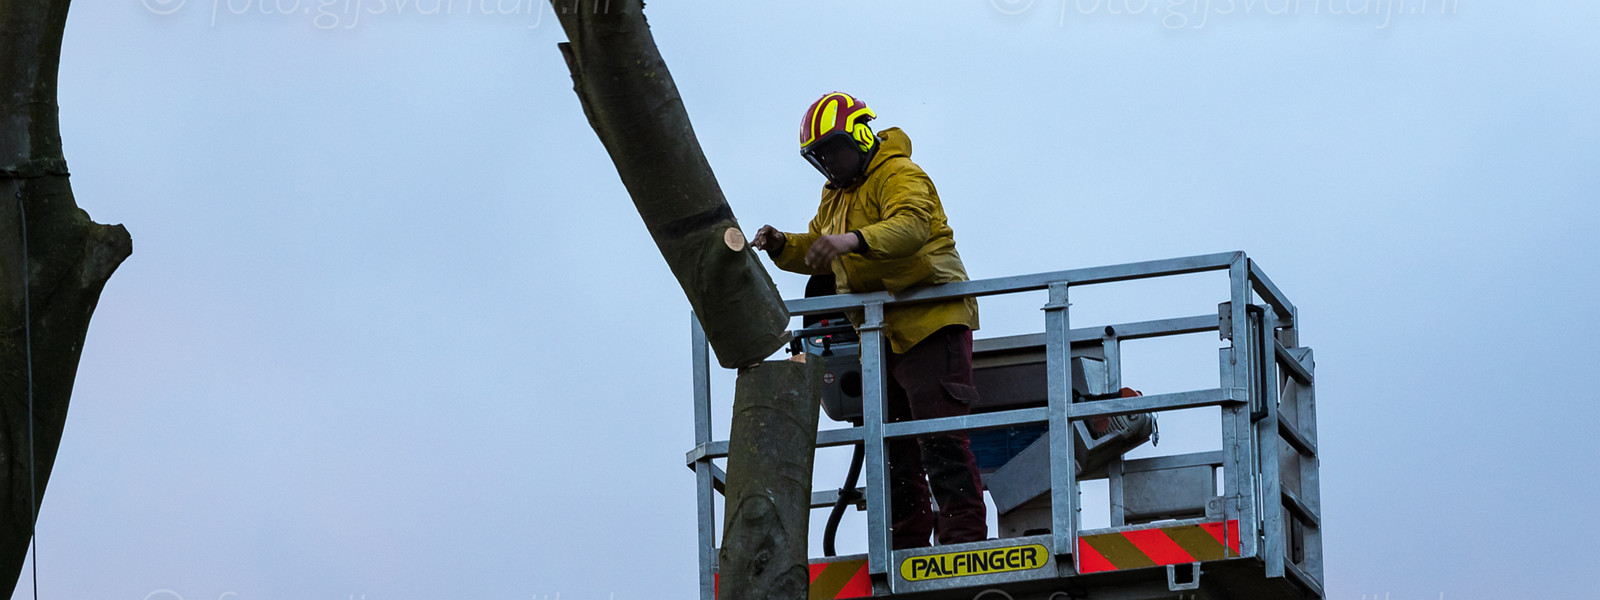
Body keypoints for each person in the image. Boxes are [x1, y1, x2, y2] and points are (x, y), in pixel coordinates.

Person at [751, 92, 987, 549]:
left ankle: (962, 544)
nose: (827, 162)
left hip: (930, 321)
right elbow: (819, 247)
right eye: (819, 155)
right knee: (891, 449)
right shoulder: (835, 197)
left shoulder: (899, 174)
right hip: (878, 334)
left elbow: (910, 227)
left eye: (832, 150)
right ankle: (906, 549)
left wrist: (853, 240)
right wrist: (782, 245)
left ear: (860, 137)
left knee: (938, 439)